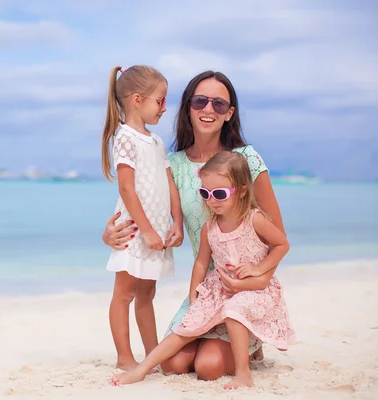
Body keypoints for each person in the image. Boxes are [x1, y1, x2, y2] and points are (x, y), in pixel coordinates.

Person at [102, 70, 286, 380]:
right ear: (188, 107)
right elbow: (143, 198)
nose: (208, 109)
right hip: (204, 289)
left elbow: (277, 236)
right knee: (172, 366)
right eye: (200, 101)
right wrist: (110, 233)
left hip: (244, 289)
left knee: (208, 367)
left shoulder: (246, 159)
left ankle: (249, 343)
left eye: (218, 103)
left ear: (230, 113)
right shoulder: (172, 162)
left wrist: (255, 278)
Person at [111, 151, 295, 389]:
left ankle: (243, 372)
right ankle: (142, 369)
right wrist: (194, 292)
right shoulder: (210, 226)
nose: (212, 200)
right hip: (218, 289)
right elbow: (201, 261)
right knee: (186, 327)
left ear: (241, 190)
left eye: (219, 193)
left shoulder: (255, 219)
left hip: (254, 292)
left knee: (233, 309)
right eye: (205, 193)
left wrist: (260, 269)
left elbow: (281, 244)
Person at [102, 65, 184, 371]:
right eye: (160, 101)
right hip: (136, 230)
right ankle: (124, 356)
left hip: (158, 230)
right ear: (138, 99)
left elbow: (169, 183)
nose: (164, 108)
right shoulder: (125, 138)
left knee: (147, 293)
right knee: (124, 294)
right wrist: (147, 231)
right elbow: (126, 187)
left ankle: (153, 355)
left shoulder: (157, 141)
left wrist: (176, 222)